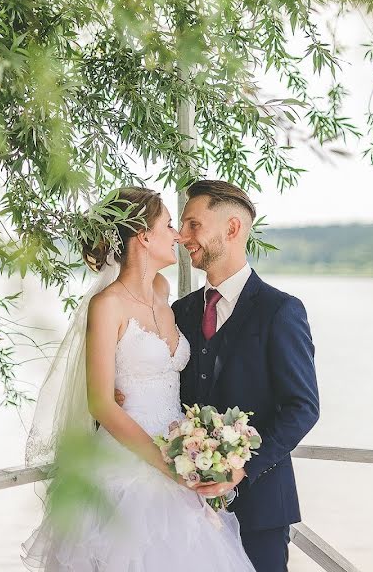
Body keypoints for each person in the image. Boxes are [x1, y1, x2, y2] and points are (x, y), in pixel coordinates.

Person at [22, 187, 256, 572]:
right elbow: (100, 402)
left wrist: (191, 457)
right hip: (127, 464)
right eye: (169, 224)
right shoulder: (108, 304)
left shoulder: (164, 293)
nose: (179, 235)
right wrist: (167, 466)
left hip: (179, 459)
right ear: (143, 236)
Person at [117, 180, 320, 572]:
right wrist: (119, 389)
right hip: (184, 510)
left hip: (260, 509)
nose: (182, 236)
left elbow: (303, 408)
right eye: (180, 226)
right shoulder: (180, 311)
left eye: (194, 225)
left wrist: (243, 467)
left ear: (232, 229)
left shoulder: (281, 311)